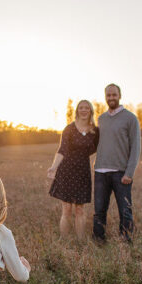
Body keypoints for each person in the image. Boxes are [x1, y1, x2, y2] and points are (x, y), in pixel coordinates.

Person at [93, 83, 141, 243]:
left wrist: (130, 172)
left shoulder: (130, 118)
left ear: (119, 96)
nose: (111, 98)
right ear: (105, 97)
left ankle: (126, 240)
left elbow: (136, 147)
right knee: (99, 210)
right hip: (100, 171)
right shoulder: (101, 119)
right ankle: (99, 239)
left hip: (121, 172)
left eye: (114, 95)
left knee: (125, 210)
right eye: (108, 95)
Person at [47, 100, 99, 238]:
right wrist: (53, 167)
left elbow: (95, 148)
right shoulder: (69, 129)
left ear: (91, 111)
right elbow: (62, 149)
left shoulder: (95, 131)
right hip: (66, 171)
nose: (83, 110)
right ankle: (64, 241)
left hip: (83, 172)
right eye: (81, 108)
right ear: (77, 111)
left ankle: (80, 242)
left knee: (80, 209)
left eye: (86, 108)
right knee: (67, 209)